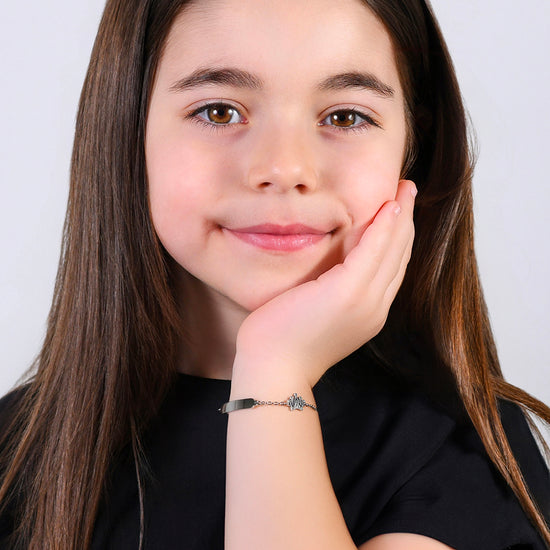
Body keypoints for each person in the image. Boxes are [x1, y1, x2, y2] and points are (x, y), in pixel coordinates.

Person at [0, 0, 549, 548]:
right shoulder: (17, 450)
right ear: (128, 131)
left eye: (345, 116)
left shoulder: (467, 449)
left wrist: (274, 369)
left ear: (412, 150)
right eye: (218, 111)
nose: (284, 168)